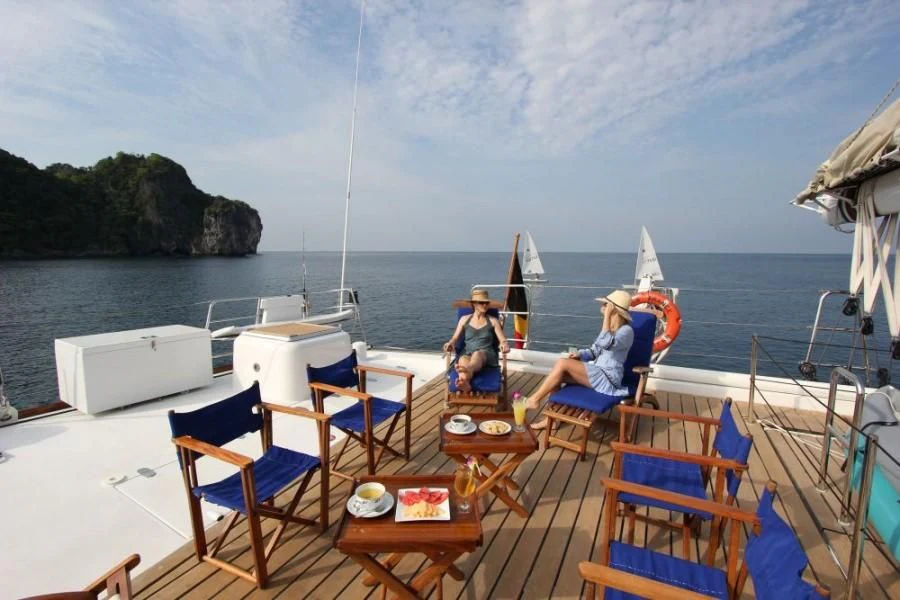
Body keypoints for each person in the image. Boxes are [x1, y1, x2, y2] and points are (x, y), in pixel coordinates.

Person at [524, 289, 634, 430]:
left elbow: (606, 343)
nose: (602, 307)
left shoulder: (626, 331)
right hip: (597, 374)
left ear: (613, 310)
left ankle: (534, 400)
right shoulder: (610, 328)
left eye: (606, 305)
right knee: (559, 374)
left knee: (563, 364)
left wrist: (606, 317)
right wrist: (580, 356)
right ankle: (551, 419)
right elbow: (595, 351)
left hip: (608, 378)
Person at [443, 289, 510, 393]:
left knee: (477, 354)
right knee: (462, 359)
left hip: (486, 354)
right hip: (468, 352)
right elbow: (455, 338)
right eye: (481, 303)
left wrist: (505, 345)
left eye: (487, 303)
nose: (485, 305)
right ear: (474, 304)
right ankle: (464, 382)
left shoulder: (493, 321)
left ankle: (465, 371)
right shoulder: (465, 319)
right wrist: (450, 343)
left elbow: (502, 340)